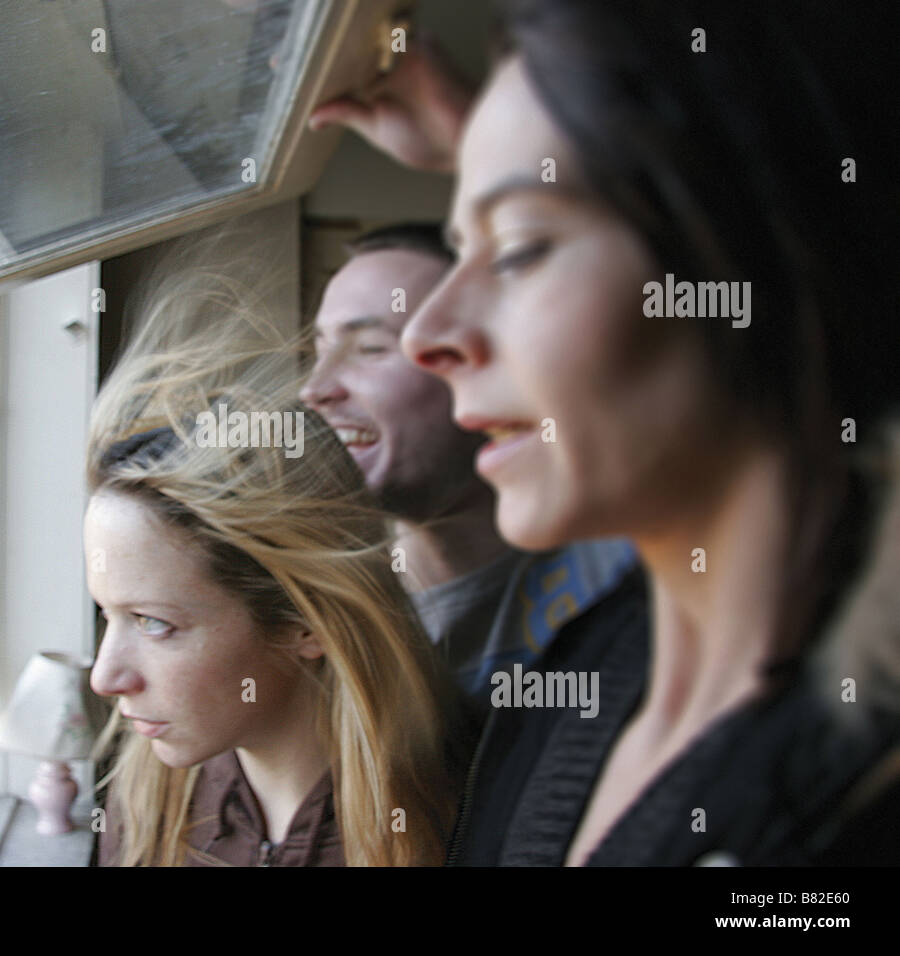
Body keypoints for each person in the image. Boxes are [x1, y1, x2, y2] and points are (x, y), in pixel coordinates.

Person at [345, 1, 900, 865]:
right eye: (461, 248)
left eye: (522, 249)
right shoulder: (582, 673)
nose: (428, 335)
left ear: (761, 263)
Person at [86, 268, 465, 866]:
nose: (105, 679)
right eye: (108, 615)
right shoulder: (145, 803)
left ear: (305, 621)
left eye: (154, 623)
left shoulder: (458, 815)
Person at [301, 223, 636, 698]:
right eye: (319, 350)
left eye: (371, 349)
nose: (314, 389)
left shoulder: (622, 588)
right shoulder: (303, 615)